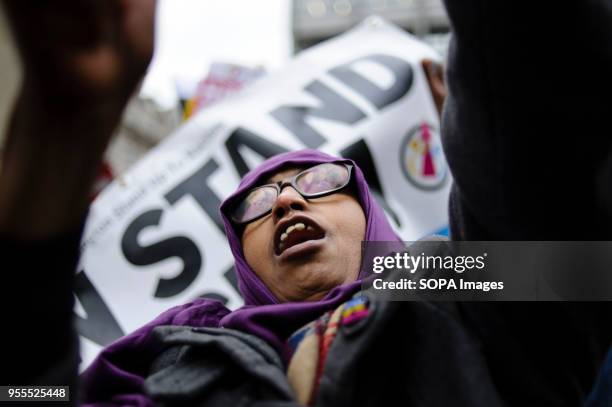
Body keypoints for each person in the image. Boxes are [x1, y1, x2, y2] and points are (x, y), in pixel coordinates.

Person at [1, 0, 611, 406]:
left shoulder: (443, 276)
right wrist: (62, 130)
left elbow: (567, 247)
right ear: (242, 260)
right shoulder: (169, 350)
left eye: (318, 182)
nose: (288, 200)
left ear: (369, 212)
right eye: (257, 203)